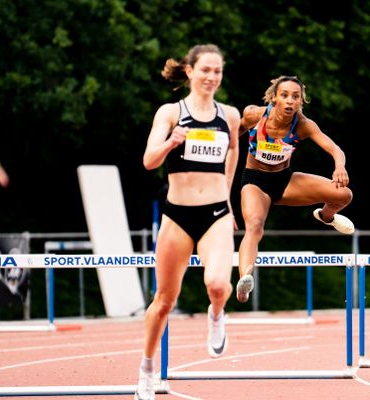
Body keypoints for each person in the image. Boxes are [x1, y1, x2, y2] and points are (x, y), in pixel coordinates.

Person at [135, 44, 240, 400]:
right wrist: (170, 142)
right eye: (206, 70)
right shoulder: (170, 112)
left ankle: (216, 314)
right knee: (164, 300)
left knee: (217, 284)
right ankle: (146, 371)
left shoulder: (230, 116)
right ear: (190, 71)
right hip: (177, 215)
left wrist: (227, 193)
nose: (212, 77)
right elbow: (149, 160)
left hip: (215, 215)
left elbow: (234, 152)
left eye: (217, 72)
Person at [235, 75, 354, 303]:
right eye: (285, 95)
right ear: (274, 98)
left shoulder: (303, 125)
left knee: (344, 194)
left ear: (301, 101)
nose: (290, 101)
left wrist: (340, 167)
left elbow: (335, 148)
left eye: (295, 97)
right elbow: (234, 133)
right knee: (255, 227)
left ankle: (326, 216)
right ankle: (245, 280)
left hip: (285, 181)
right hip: (255, 182)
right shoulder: (254, 115)